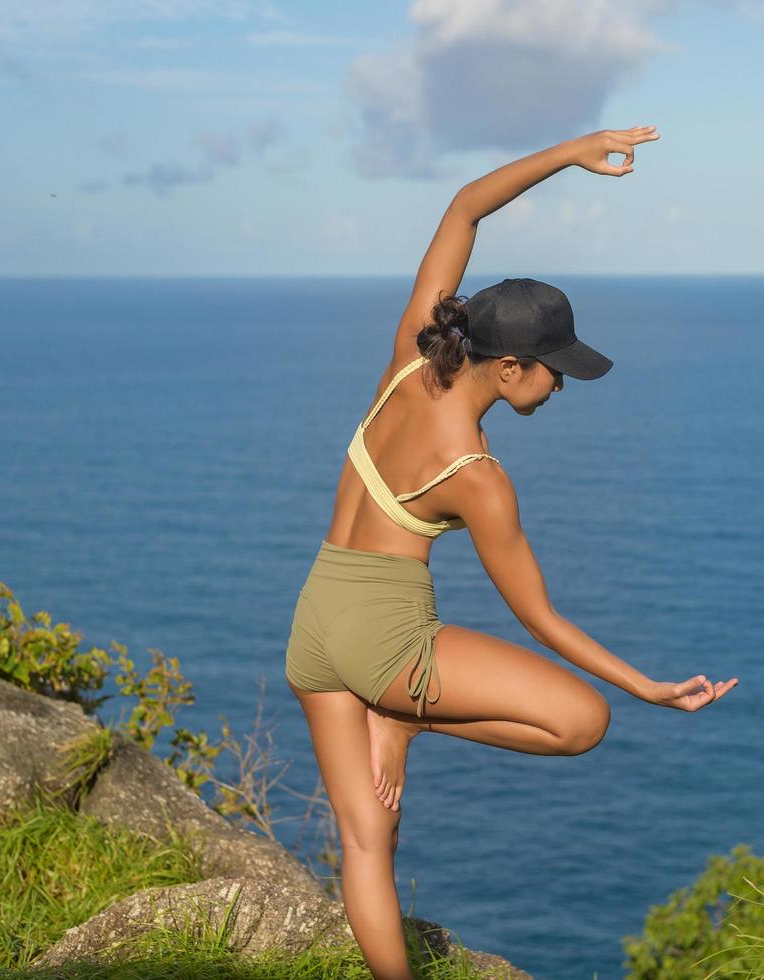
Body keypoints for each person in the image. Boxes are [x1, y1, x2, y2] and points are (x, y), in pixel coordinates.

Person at [283, 124, 738, 979]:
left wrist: (570, 152)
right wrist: (647, 688)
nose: (561, 385)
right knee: (582, 723)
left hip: (314, 624)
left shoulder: (405, 359)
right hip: (388, 644)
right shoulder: (476, 475)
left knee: (364, 838)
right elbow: (538, 618)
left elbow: (463, 208)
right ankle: (404, 714)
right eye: (553, 370)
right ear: (508, 367)